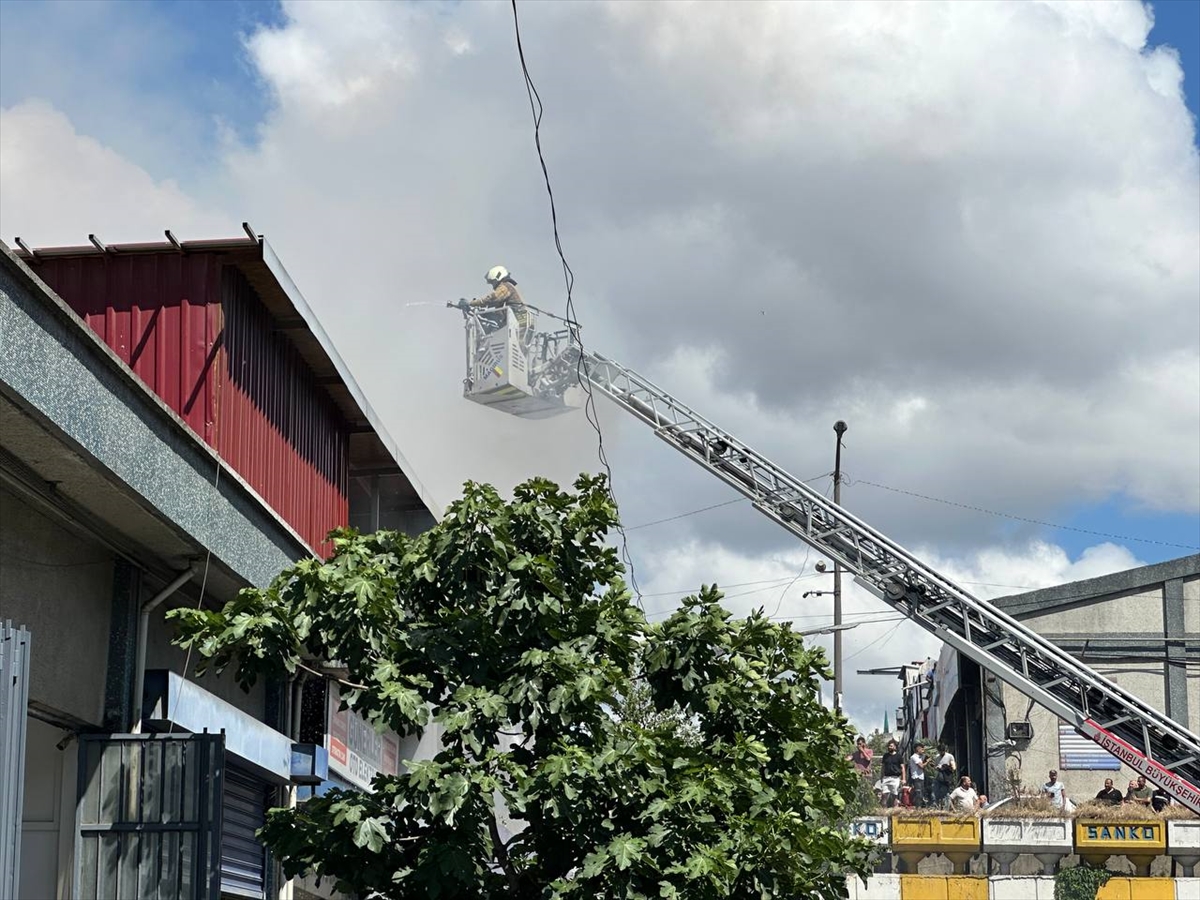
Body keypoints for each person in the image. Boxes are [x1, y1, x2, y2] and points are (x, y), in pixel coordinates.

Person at [457, 266, 531, 340]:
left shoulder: (505, 286)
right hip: (520, 322)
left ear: (498, 276)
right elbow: (494, 305)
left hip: (519, 321)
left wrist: (470, 303)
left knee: (490, 324)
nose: (493, 285)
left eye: (493, 282)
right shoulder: (509, 287)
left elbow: (492, 298)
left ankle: (486, 341)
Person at [880, 740, 904, 808]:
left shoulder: (899, 756)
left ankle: (895, 812)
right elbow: (883, 767)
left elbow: (903, 768)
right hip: (886, 778)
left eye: (891, 746)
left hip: (895, 778)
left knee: (894, 796)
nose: (889, 747)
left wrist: (903, 778)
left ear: (895, 747)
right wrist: (881, 777)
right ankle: (884, 812)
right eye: (889, 746)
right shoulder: (885, 756)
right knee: (884, 795)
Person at [933, 742, 956, 808]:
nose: (941, 753)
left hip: (946, 777)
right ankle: (938, 807)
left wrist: (946, 767)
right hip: (938, 776)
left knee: (945, 794)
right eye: (940, 751)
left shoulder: (949, 756)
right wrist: (937, 767)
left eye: (942, 751)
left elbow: (953, 767)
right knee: (936, 793)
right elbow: (935, 766)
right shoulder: (937, 757)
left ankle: (946, 809)